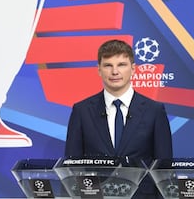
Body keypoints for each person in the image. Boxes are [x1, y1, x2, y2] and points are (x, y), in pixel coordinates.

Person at [64, 39, 173, 198]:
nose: (115, 72)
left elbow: (163, 169)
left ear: (133, 69)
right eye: (108, 65)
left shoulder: (154, 111)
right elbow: (70, 167)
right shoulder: (81, 111)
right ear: (99, 70)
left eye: (122, 65)